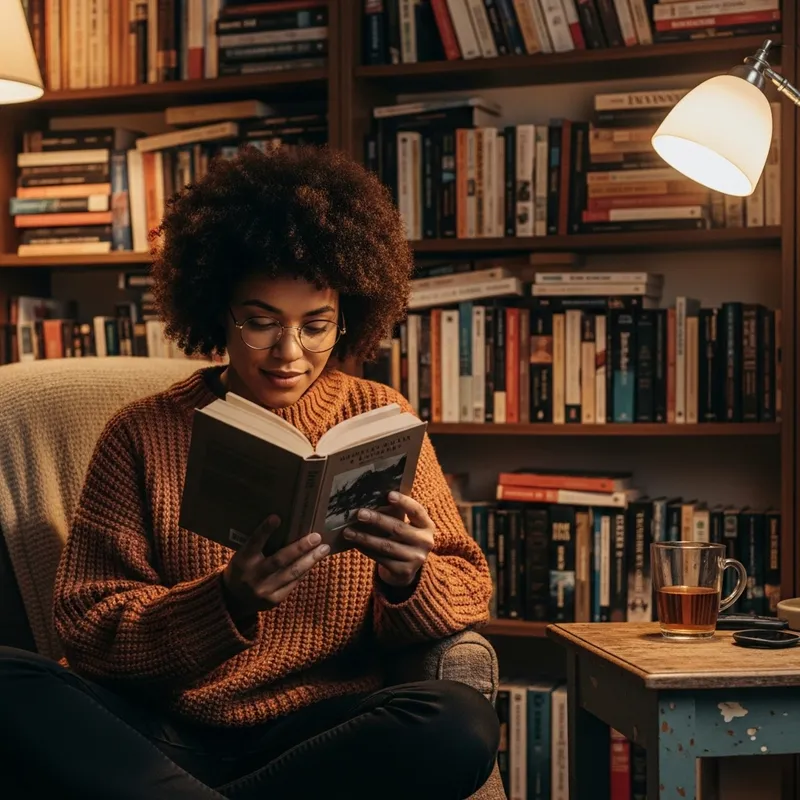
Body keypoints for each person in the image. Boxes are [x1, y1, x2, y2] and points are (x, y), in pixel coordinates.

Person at [0, 146, 499, 799]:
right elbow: (91, 630)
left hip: (318, 736)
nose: (289, 353)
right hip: (161, 732)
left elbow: (466, 589)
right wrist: (226, 599)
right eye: (261, 322)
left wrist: (409, 577)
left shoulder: (380, 416)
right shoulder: (141, 434)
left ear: (347, 314)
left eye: (315, 325)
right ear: (217, 310)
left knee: (459, 724)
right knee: (10, 680)